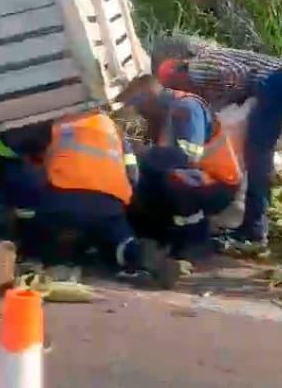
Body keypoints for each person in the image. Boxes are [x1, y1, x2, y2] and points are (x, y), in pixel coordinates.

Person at [155, 42, 282, 245]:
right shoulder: (204, 65)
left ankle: (254, 230)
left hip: (276, 83)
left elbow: (236, 72)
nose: (181, 90)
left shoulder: (198, 70)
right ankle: (257, 219)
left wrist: (230, 101)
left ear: (179, 74)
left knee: (257, 154)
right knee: (260, 152)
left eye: (175, 85)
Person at [28, 110, 178, 288]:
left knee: (39, 224)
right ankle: (139, 257)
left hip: (63, 200)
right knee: (120, 239)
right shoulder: (113, 129)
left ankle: (40, 257)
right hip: (107, 205)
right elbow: (133, 175)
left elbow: (35, 169)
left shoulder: (58, 123)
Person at [118, 74, 243, 258]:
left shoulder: (185, 109)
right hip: (198, 175)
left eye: (140, 107)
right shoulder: (165, 112)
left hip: (218, 181)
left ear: (151, 98)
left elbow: (188, 157)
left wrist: (142, 154)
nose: (140, 113)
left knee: (174, 181)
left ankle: (196, 239)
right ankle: (161, 236)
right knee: (146, 185)